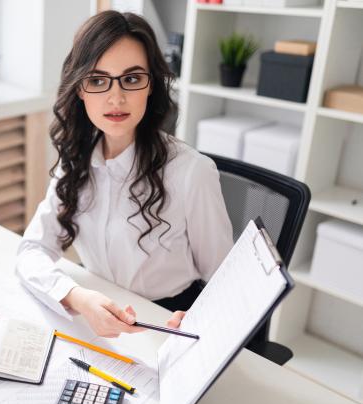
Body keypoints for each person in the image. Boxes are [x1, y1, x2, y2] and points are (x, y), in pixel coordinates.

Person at [15, 11, 233, 338]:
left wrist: (200, 319)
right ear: (80, 89)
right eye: (98, 80)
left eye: (131, 79)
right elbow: (31, 252)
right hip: (99, 313)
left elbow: (227, 282)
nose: (116, 98)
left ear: (150, 86)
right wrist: (78, 297)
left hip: (166, 325)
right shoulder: (75, 159)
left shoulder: (191, 172)